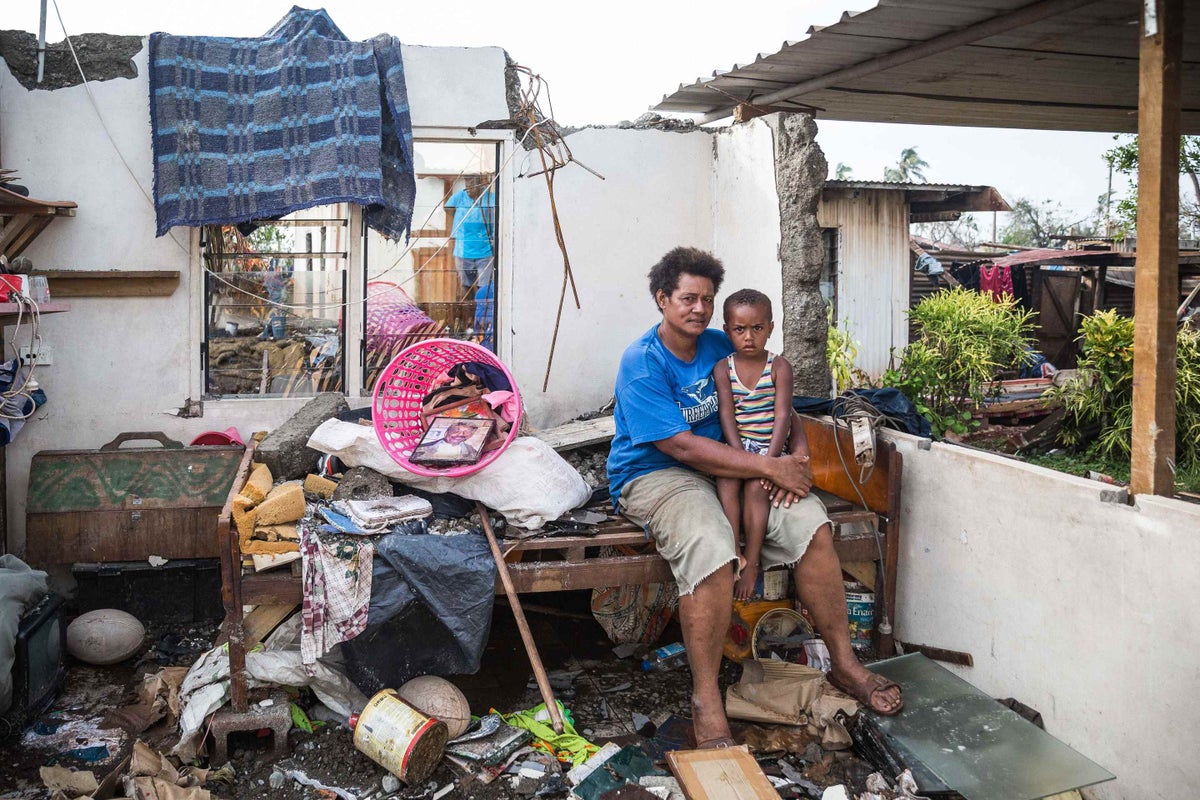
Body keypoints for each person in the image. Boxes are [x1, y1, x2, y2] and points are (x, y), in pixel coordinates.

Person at [606, 247, 902, 749]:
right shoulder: (642, 361)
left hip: (735, 467)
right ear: (662, 299)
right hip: (659, 474)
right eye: (687, 298)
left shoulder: (721, 344)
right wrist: (768, 465)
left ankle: (846, 665)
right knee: (709, 545)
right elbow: (677, 445)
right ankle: (706, 697)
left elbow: (774, 404)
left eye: (706, 298)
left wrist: (794, 461)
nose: (698, 308)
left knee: (811, 525)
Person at [713, 289, 794, 601]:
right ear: (727, 331)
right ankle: (735, 551)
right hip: (738, 446)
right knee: (726, 480)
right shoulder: (724, 368)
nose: (749, 337)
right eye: (739, 329)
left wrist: (770, 461)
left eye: (757, 328)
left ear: (770, 328)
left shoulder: (779, 366)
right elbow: (726, 413)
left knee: (757, 490)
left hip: (768, 448)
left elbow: (784, 415)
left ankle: (753, 561)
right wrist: (737, 454)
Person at [445, 175, 496, 339]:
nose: (469, 184)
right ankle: (466, 324)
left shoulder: (490, 197)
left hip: (485, 252)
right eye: (467, 181)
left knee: (484, 291)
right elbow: (447, 209)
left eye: (473, 180)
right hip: (462, 251)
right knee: (465, 288)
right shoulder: (460, 197)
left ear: (482, 182)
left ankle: (481, 327)